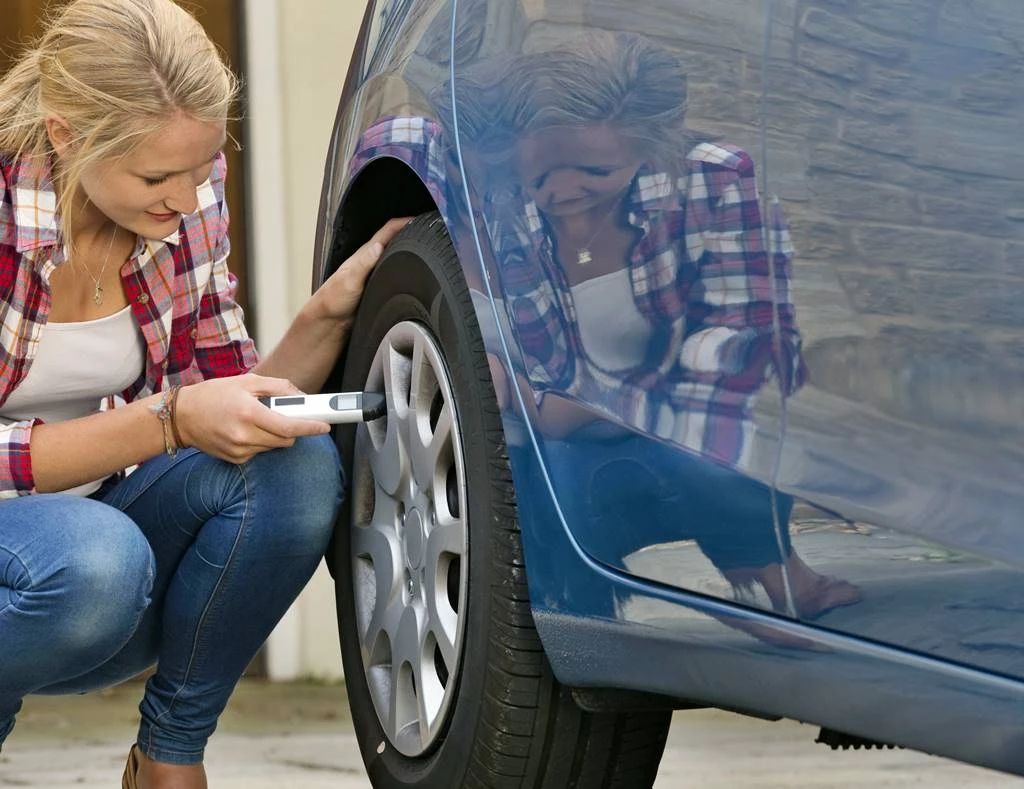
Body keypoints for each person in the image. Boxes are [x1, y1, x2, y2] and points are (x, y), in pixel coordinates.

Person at [0, 1, 406, 787]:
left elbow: (224, 394)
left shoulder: (185, 201)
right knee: (96, 559)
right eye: (158, 175)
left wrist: (327, 314)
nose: (188, 200)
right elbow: (182, 415)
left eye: (202, 165)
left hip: (97, 582)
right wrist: (171, 420)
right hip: (72, 574)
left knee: (292, 461)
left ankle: (168, 756)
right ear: (65, 136)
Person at [479, 30, 861, 621]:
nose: (562, 191)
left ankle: (775, 577)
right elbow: (533, 374)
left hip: (692, 428)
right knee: (554, 509)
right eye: (541, 176)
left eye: (594, 170)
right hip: (568, 450)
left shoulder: (715, 180)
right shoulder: (502, 205)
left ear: (651, 148)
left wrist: (584, 403)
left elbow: (747, 342)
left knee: (719, 463)